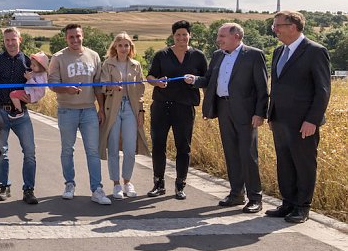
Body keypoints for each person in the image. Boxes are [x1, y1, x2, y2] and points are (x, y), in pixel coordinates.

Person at [184, 23, 268, 213]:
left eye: (222, 36)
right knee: (231, 152)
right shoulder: (217, 55)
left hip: (246, 112)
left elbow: (262, 87)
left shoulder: (254, 55)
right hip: (223, 108)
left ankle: (255, 198)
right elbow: (209, 80)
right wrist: (195, 80)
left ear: (236, 36)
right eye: (218, 36)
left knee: (248, 154)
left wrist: (260, 113)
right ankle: (236, 194)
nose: (218, 39)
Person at [265, 11, 331, 223]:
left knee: (303, 164)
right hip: (280, 120)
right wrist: (272, 115)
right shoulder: (278, 51)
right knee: (284, 163)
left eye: (278, 26)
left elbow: (322, 90)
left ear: (292, 27)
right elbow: (276, 85)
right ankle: (288, 203)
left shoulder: (315, 51)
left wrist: (312, 119)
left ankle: (302, 207)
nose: (274, 29)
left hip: (304, 122)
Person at [48, 24, 110, 205]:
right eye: (71, 37)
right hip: (67, 110)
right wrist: (66, 89)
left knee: (92, 150)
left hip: (89, 110)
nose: (75, 40)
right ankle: (69, 184)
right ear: (66, 38)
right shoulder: (58, 57)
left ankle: (97, 189)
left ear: (83, 36)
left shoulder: (93, 56)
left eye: (78, 36)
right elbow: (52, 83)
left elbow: (98, 84)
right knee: (68, 149)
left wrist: (101, 108)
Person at [146, 20, 208, 200]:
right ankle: (159, 184)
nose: (181, 38)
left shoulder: (198, 56)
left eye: (184, 34)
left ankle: (180, 185)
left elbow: (206, 79)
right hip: (161, 106)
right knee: (158, 145)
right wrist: (157, 82)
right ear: (173, 36)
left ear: (190, 35)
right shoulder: (162, 55)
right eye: (177, 35)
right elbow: (150, 75)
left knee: (183, 147)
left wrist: (195, 80)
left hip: (185, 108)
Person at [0, 27, 37, 204]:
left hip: (21, 114)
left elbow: (37, 86)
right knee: (1, 153)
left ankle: (28, 190)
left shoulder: (29, 62)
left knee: (30, 152)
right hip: (0, 113)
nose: (10, 43)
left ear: (19, 40)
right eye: (7, 40)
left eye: (13, 39)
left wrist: (34, 97)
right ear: (4, 41)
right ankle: (4, 187)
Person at [98, 32, 149, 200]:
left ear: (130, 48)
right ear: (115, 47)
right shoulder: (108, 64)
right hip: (112, 107)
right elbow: (102, 87)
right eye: (120, 45)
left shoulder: (136, 65)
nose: (123, 48)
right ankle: (116, 184)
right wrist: (112, 87)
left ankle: (127, 182)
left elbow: (141, 90)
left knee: (129, 148)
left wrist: (141, 111)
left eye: (126, 45)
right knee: (113, 147)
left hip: (131, 108)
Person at [8, 51, 49, 119]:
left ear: (41, 67)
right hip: (31, 93)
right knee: (14, 94)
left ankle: (19, 111)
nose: (31, 66)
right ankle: (17, 108)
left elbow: (38, 87)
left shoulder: (41, 76)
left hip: (33, 94)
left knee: (13, 94)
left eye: (34, 65)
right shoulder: (36, 73)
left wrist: (29, 79)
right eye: (31, 64)